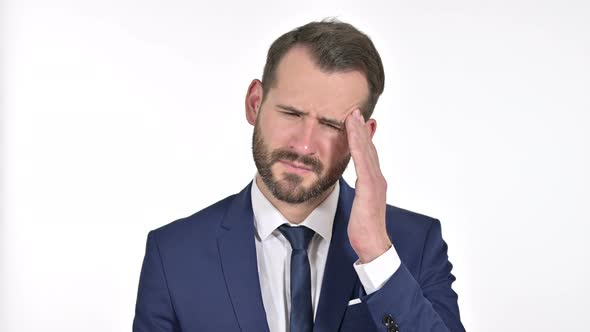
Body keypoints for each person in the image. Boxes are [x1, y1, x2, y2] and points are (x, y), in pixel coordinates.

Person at [133, 19, 465, 332]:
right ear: (254, 103)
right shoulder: (173, 253)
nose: (304, 145)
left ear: (364, 135)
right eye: (291, 113)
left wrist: (376, 255)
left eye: (332, 125)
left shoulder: (415, 244)